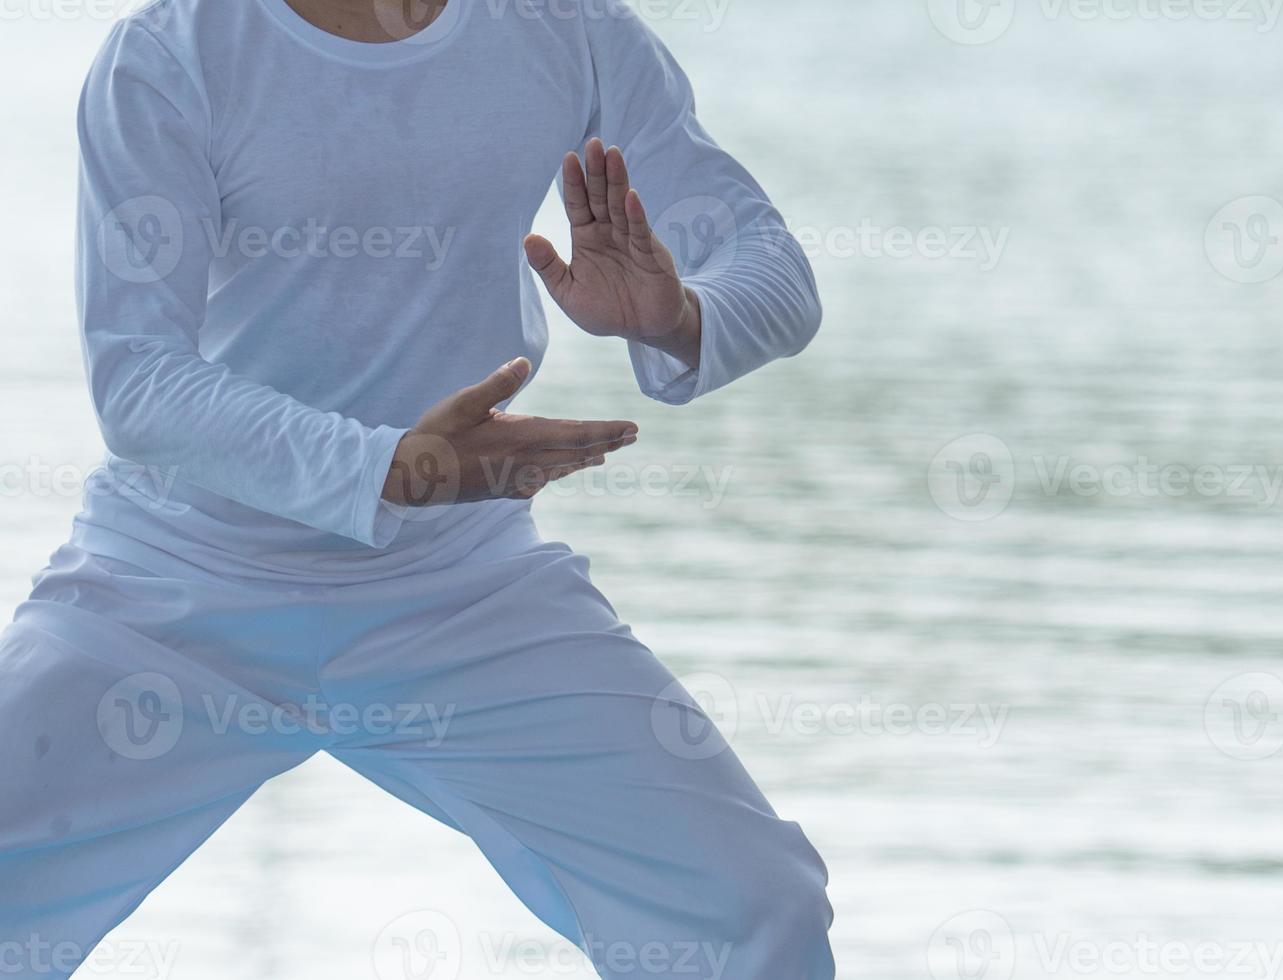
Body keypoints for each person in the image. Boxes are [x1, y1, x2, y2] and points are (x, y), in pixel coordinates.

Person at [0, 0, 835, 976]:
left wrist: (680, 313)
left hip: (463, 594)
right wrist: (389, 467)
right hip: (177, 586)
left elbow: (776, 274)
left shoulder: (570, 31)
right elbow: (139, 383)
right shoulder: (173, 50)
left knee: (755, 909)